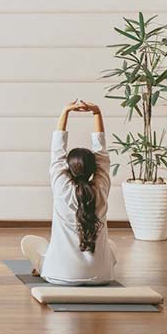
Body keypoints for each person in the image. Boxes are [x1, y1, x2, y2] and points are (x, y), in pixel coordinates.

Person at [21, 99, 117, 286]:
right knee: (111, 245)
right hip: (103, 276)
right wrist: (96, 112)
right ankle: (52, 262)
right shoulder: (101, 188)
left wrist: (65, 111)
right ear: (94, 168)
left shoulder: (61, 187)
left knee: (30, 242)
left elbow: (57, 151)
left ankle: (42, 266)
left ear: (68, 168)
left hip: (60, 275)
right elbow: (102, 153)